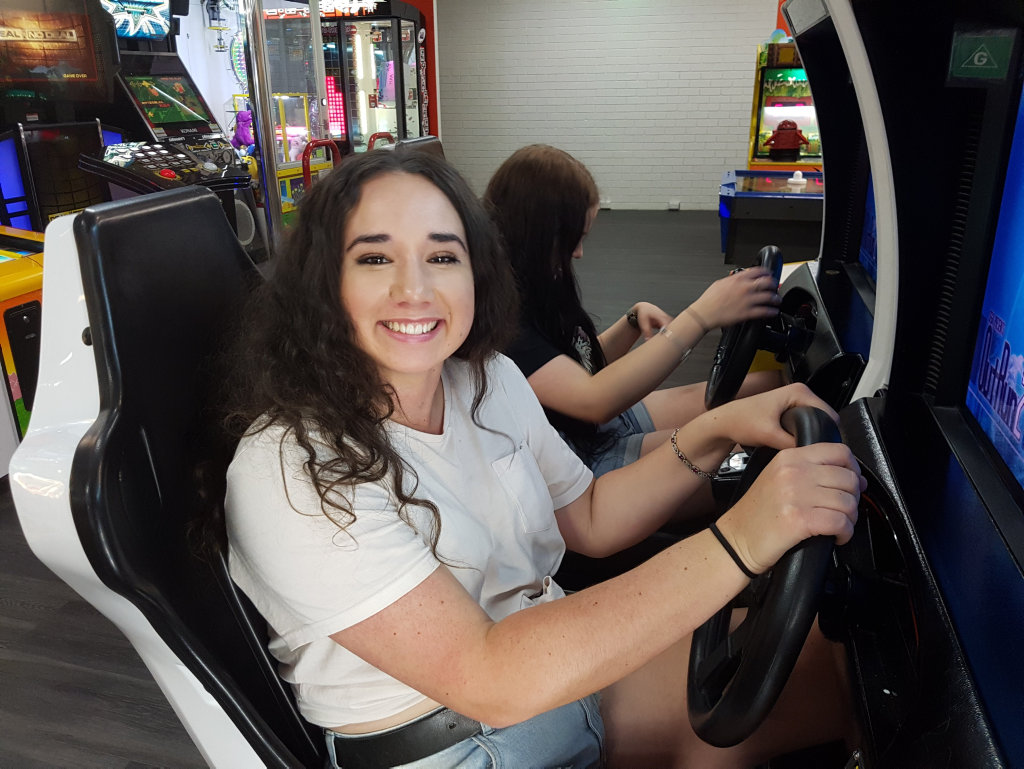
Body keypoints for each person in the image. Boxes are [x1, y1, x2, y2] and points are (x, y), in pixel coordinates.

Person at [221, 148, 863, 768]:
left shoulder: (485, 379)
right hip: (460, 741)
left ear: (477, 272)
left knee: (836, 659)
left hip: (547, 665)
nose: (413, 289)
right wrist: (742, 540)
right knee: (820, 677)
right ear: (323, 283)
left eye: (442, 255)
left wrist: (716, 430)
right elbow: (488, 676)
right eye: (374, 258)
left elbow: (589, 515)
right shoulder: (293, 466)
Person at [484, 144, 784, 482]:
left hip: (599, 428)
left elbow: (574, 367)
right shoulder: (504, 322)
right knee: (766, 453)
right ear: (536, 233)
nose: (579, 253)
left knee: (773, 387)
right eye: (573, 240)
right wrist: (700, 316)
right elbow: (594, 399)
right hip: (586, 461)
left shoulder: (534, 285)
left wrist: (631, 320)